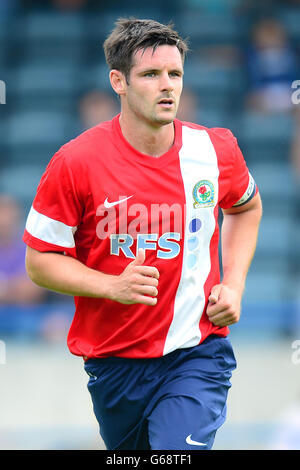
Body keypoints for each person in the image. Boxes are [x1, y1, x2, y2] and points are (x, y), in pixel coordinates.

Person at [23, 18, 262, 451]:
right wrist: (110, 285)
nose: (167, 86)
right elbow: (39, 263)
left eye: (175, 74)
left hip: (197, 352)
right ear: (118, 81)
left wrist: (235, 284)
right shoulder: (75, 162)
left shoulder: (215, 150)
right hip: (115, 364)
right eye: (151, 75)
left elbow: (245, 208)